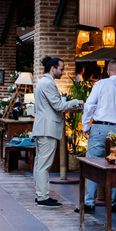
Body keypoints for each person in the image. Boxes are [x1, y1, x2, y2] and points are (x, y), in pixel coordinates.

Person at [81, 60, 116, 213]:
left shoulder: (100, 84)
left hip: (99, 127)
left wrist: (85, 125)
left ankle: (89, 203)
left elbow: (90, 105)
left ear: (108, 70)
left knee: (92, 163)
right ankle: (112, 202)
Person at [33, 56, 84, 207]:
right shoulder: (48, 83)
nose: (62, 72)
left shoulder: (44, 82)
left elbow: (56, 105)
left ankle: (40, 194)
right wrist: (77, 102)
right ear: (52, 68)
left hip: (43, 127)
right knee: (44, 165)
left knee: (40, 163)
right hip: (47, 128)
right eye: (61, 69)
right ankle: (42, 197)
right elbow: (58, 106)